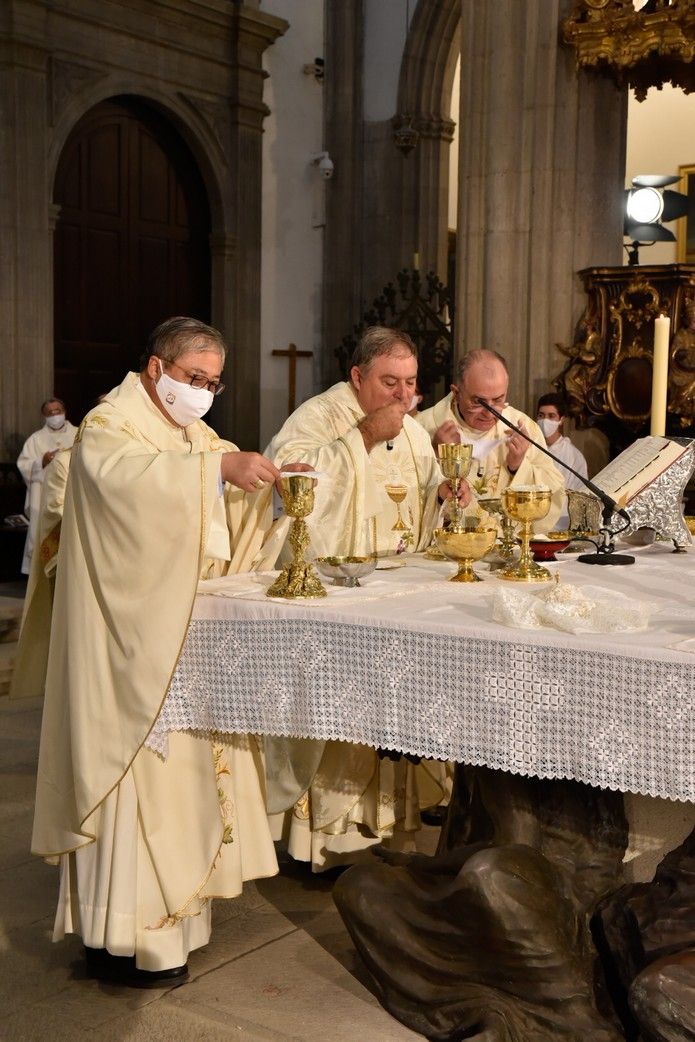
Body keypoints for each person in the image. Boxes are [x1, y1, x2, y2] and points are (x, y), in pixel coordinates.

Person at [31, 316, 298, 987]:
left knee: (183, 787)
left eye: (212, 382)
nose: (203, 392)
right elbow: (129, 489)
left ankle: (170, 928)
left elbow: (220, 500)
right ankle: (121, 936)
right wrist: (213, 472)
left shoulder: (194, 433)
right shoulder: (108, 427)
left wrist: (264, 485)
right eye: (192, 378)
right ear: (156, 369)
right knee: (138, 782)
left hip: (184, 637)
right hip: (127, 650)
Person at [263, 326, 475, 870]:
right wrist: (358, 440)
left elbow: (426, 502)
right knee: (342, 717)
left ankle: (384, 829)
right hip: (336, 600)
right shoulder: (319, 416)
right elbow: (288, 485)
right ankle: (326, 843)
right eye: (389, 382)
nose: (403, 396)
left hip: (395, 600)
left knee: (391, 716)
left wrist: (448, 494)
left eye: (410, 384)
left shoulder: (409, 433)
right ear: (357, 377)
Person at [417, 350, 565, 532]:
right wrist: (434, 455)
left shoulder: (523, 428)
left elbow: (555, 492)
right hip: (446, 551)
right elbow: (402, 496)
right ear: (456, 392)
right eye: (479, 402)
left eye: (498, 400)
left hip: (505, 549)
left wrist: (518, 466)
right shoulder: (423, 428)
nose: (489, 412)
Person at [16, 398, 77, 574]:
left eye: (58, 410)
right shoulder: (35, 439)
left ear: (64, 411)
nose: (55, 415)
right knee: (39, 531)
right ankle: (38, 573)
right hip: (42, 494)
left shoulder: (77, 433)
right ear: (44, 416)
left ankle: (69, 571)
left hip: (69, 493)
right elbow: (23, 464)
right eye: (50, 413)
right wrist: (40, 462)